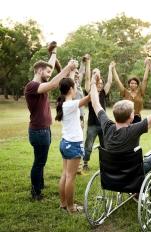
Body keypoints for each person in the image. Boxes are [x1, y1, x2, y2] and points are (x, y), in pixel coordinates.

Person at [89, 70, 151, 171]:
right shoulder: (135, 129)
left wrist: (93, 82)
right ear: (131, 117)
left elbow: (95, 103)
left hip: (111, 173)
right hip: (132, 173)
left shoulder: (107, 125)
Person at [24, 44, 78, 201]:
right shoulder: (32, 86)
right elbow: (54, 83)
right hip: (38, 131)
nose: (50, 73)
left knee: (40, 161)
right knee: (39, 162)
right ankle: (36, 191)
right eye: (47, 72)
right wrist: (68, 67)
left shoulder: (39, 84)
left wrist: (54, 53)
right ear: (39, 71)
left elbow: (51, 67)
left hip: (44, 130)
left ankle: (39, 185)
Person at [55, 77, 90, 213]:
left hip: (65, 143)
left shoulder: (64, 103)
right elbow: (89, 98)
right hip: (73, 144)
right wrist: (93, 81)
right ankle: (71, 207)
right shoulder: (70, 104)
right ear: (70, 89)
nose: (76, 89)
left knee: (65, 174)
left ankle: (63, 204)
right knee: (70, 177)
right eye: (75, 86)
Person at [82, 57, 112, 171]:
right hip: (92, 124)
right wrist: (88, 63)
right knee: (88, 145)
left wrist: (110, 68)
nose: (99, 85)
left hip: (103, 124)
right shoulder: (90, 93)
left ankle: (105, 164)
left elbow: (109, 82)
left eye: (101, 83)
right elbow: (87, 79)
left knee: (105, 146)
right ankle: (85, 164)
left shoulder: (103, 93)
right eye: (98, 83)